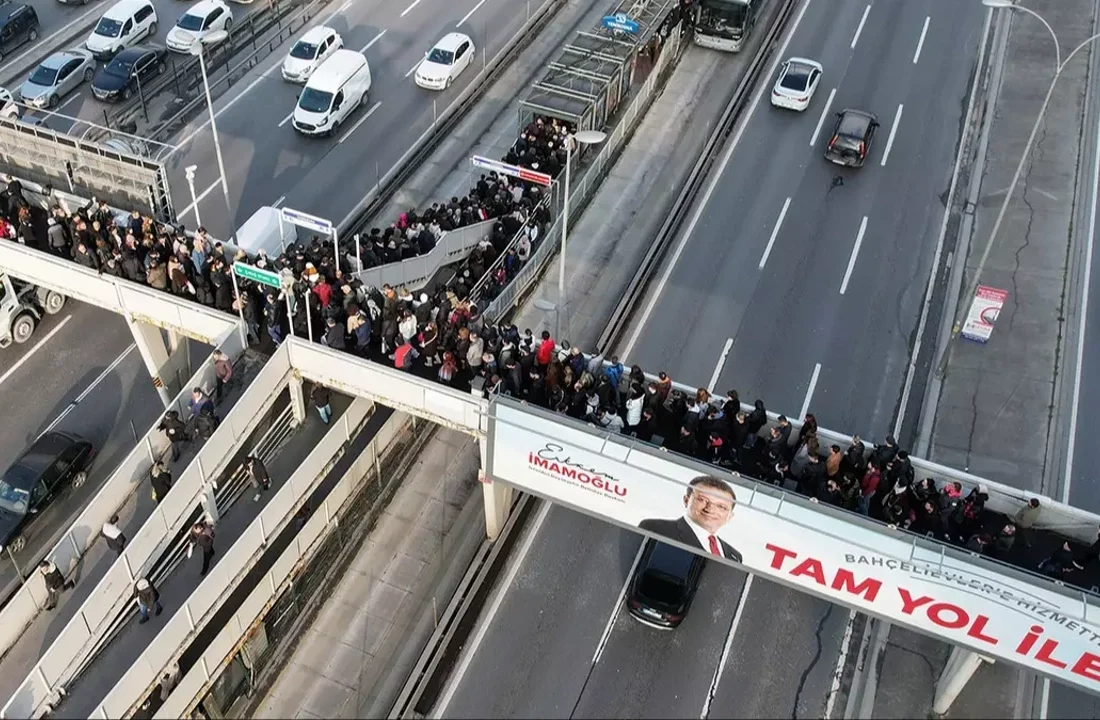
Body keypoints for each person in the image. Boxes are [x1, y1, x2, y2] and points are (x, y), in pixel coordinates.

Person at [639, 475, 742, 562]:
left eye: (721, 507)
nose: (710, 509)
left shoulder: (734, 556)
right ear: (686, 500)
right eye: (702, 500)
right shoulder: (656, 529)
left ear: (730, 516)